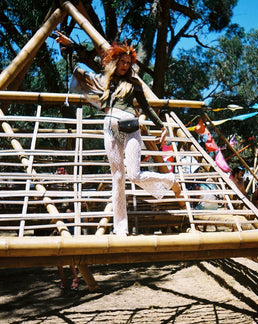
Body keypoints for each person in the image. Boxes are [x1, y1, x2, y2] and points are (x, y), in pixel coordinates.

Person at [56, 34, 180, 236]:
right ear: (116, 62)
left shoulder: (134, 84)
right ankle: (120, 228)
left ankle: (170, 181)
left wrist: (162, 126)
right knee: (118, 177)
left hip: (131, 127)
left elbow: (147, 108)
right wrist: (70, 45)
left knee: (134, 174)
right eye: (122, 62)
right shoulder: (104, 81)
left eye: (128, 63)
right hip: (110, 128)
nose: (124, 66)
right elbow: (77, 69)